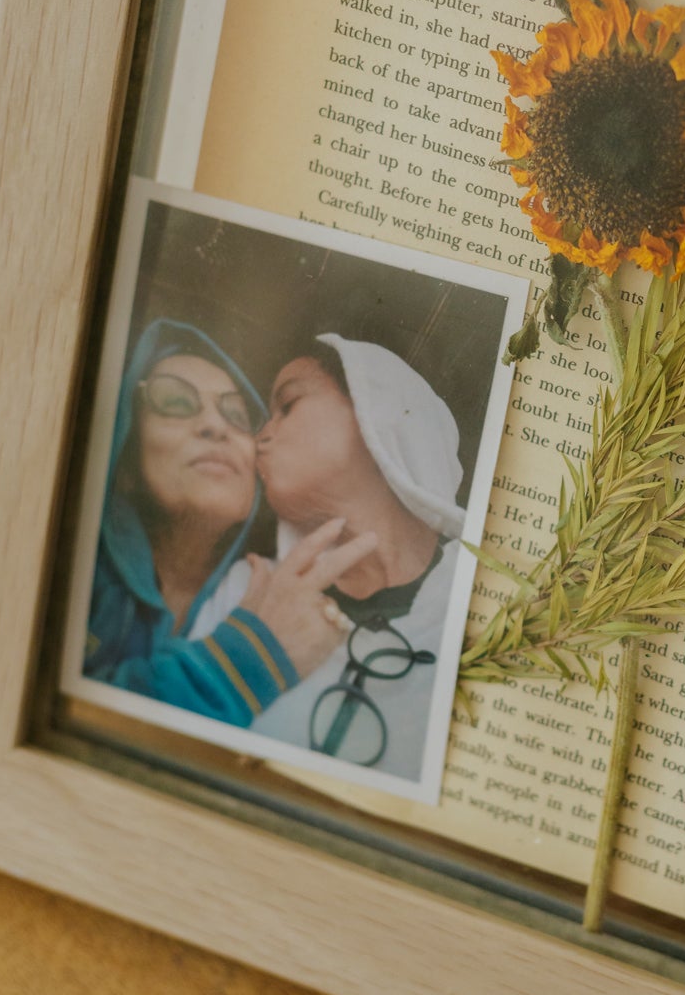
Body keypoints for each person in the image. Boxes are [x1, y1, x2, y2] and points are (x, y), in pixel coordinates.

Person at [196, 334, 465, 781]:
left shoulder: (486, 603)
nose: (260, 436)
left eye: (288, 404)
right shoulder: (246, 594)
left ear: (377, 409)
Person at [85, 318, 375, 724]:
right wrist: (246, 660)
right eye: (175, 402)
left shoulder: (266, 587)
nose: (215, 426)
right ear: (126, 458)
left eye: (237, 414)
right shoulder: (74, 574)